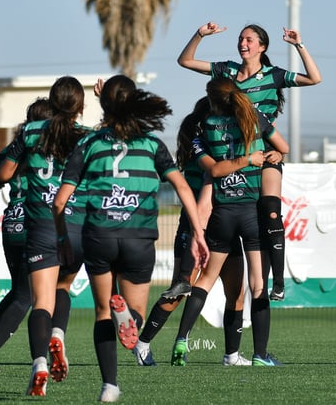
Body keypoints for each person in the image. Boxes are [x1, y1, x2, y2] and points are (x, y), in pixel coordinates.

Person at [52, 75, 209, 402]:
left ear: (105, 106)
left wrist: (63, 237)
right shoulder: (151, 143)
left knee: (102, 313)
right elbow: (182, 187)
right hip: (138, 237)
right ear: (135, 102)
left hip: (99, 237)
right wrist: (197, 233)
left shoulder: (89, 144)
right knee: (133, 316)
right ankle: (131, 319)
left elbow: (60, 201)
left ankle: (109, 385)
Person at [177, 21, 321, 300]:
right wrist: (199, 35)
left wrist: (298, 45)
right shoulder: (227, 70)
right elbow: (185, 61)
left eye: (249, 40)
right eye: (241, 39)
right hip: (227, 157)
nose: (243, 43)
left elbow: (314, 79)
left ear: (262, 47)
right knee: (202, 208)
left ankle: (276, 282)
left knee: (269, 211)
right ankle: (183, 278)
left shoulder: (273, 75)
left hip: (262, 155)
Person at [171, 77, 283, 367]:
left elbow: (216, 170)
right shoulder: (253, 118)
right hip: (251, 212)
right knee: (257, 284)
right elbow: (281, 147)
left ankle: (182, 339)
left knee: (205, 281)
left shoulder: (207, 127)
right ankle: (259, 355)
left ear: (213, 100)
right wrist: (270, 155)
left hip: (222, 214)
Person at [133, 96, 251, 367]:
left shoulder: (196, 142)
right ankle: (146, 342)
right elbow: (215, 174)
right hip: (204, 223)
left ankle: (147, 343)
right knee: (186, 288)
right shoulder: (205, 147)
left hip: (212, 223)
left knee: (213, 289)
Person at [0, 76, 91, 396]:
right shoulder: (88, 137)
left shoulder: (30, 132)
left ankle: (39, 364)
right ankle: (59, 336)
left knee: (40, 301)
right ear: (80, 106)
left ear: (52, 102)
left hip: (41, 226)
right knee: (63, 286)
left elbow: (4, 173)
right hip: (76, 228)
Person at [0, 97, 52, 373]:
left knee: (18, 291)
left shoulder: (17, 145)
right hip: (38, 224)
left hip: (12, 225)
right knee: (27, 296)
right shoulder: (57, 146)